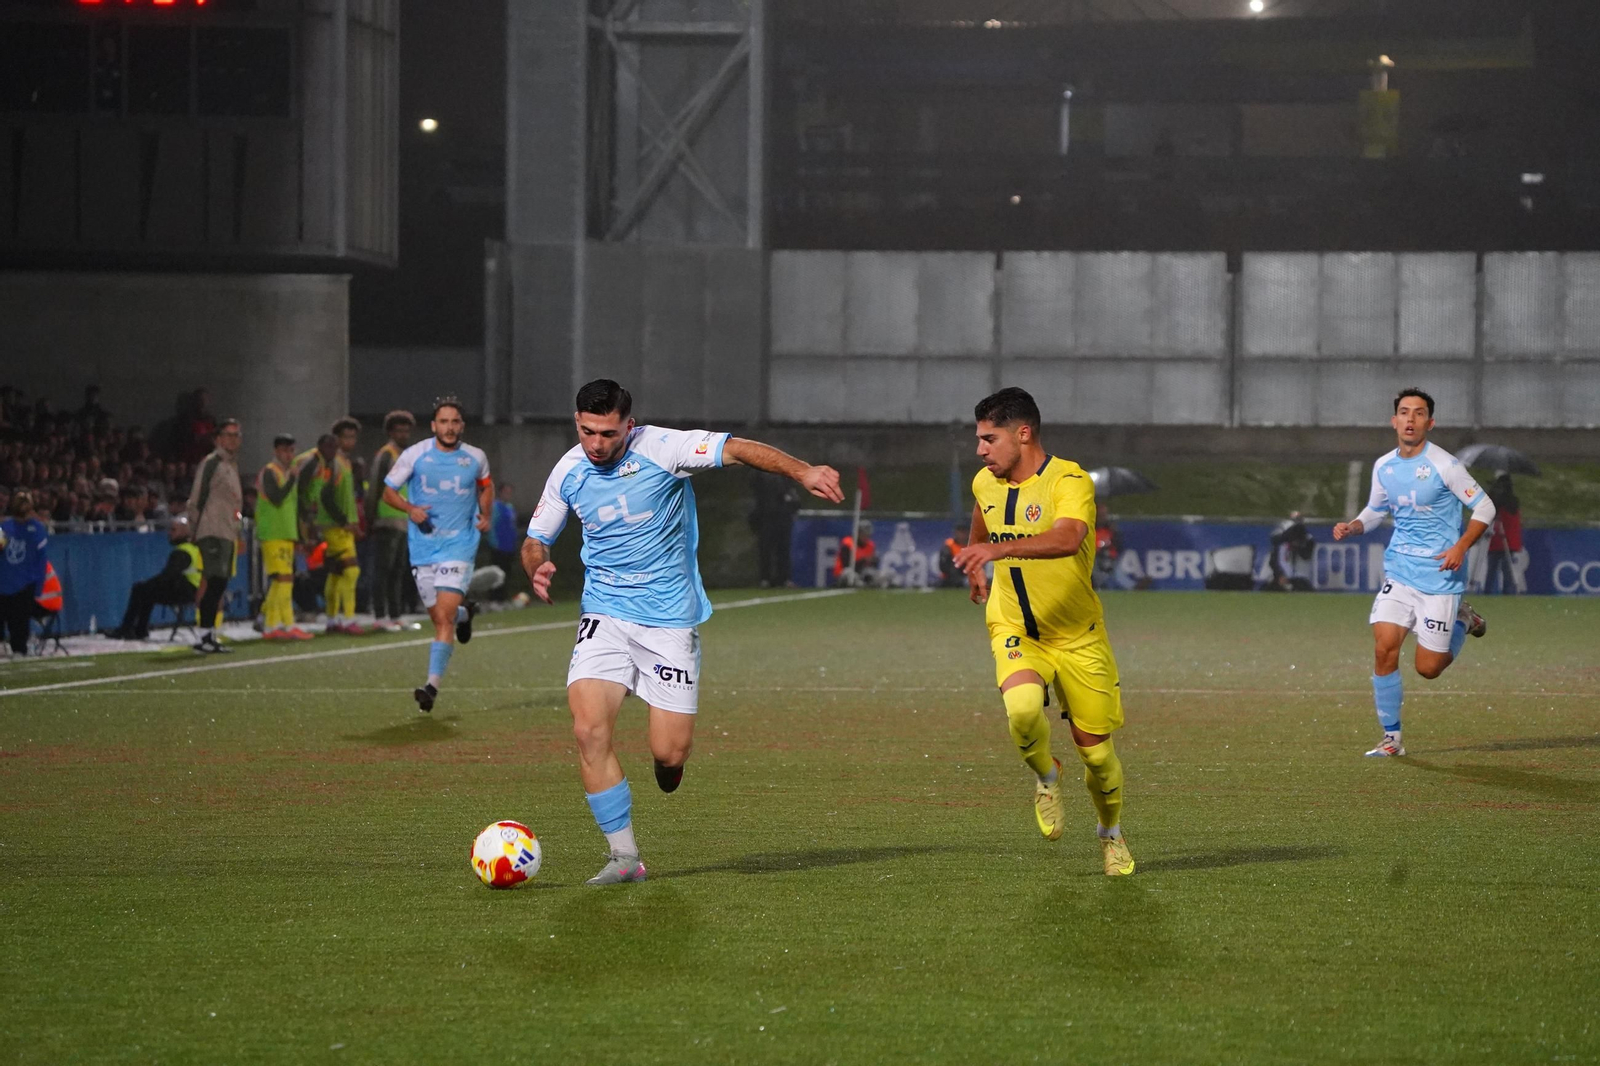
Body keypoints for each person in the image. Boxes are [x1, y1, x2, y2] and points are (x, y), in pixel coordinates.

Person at [521, 379, 843, 886]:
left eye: (607, 433)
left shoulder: (665, 448)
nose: (596, 444)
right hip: (604, 614)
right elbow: (536, 539)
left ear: (629, 425)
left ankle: (668, 767)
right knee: (588, 731)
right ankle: (624, 857)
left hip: (669, 620)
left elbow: (736, 449)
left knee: (669, 753)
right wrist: (536, 566)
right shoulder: (568, 470)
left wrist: (802, 470)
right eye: (586, 432)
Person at [952, 387, 1135, 877]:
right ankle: (1047, 775)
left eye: (989, 439)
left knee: (1098, 758)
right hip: (1015, 625)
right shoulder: (983, 483)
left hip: (1078, 635)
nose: (980, 450)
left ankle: (1110, 833)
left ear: (1023, 433)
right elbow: (980, 519)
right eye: (979, 440)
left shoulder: (1068, 479)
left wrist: (995, 552)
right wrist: (976, 557)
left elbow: (1068, 537)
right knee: (1023, 710)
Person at [1333, 388, 1494, 758]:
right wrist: (1353, 526)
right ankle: (1391, 738)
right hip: (1401, 572)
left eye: (1418, 413)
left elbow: (1485, 508)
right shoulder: (1384, 466)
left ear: (1430, 422)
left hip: (1440, 577)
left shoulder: (1446, 466)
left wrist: (1460, 547)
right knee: (1384, 649)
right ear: (1394, 421)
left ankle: (1464, 620)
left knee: (1428, 668)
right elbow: (1375, 512)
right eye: (1404, 412)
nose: (1410, 419)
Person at [381, 397, 493, 712]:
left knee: (441, 618)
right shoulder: (414, 455)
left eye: (455, 421)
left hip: (460, 544)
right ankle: (466, 613)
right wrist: (410, 508)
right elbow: (388, 491)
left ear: (462, 426)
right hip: (424, 547)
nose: (449, 427)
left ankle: (431, 687)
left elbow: (487, 486)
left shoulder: (474, 457)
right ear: (434, 426)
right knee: (439, 616)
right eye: (443, 422)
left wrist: (486, 514)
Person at [185, 418, 243, 654]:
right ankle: (203, 635)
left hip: (226, 531)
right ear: (218, 438)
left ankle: (208, 635)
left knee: (220, 583)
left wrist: (238, 532)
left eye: (236, 435)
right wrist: (194, 529)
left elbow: (235, 504)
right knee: (214, 580)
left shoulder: (231, 465)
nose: (233, 439)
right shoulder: (212, 463)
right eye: (228, 434)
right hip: (211, 530)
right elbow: (197, 497)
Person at [301, 432, 362, 634]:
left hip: (333, 524)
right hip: (336, 526)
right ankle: (349, 619)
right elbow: (325, 495)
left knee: (335, 573)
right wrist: (345, 521)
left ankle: (332, 619)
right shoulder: (332, 465)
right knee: (351, 571)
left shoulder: (337, 463)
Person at [106, 516, 201, 640]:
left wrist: (148, 584)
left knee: (141, 590)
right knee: (146, 591)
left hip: (186, 591)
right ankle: (140, 630)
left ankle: (126, 629)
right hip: (194, 589)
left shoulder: (182, 552)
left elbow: (169, 575)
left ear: (183, 532)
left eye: (173, 530)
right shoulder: (193, 549)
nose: (169, 533)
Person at [256, 433, 309, 641]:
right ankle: (271, 625)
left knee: (286, 581)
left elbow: (292, 507)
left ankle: (287, 624)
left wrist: (299, 535)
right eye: (284, 450)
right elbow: (276, 498)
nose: (288, 455)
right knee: (281, 579)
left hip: (286, 533)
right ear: (276, 451)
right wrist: (292, 479)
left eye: (291, 450)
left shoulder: (286, 473)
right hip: (272, 532)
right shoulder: (270, 472)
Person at [366, 410, 415, 631]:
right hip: (386, 520)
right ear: (390, 432)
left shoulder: (406, 456)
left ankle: (395, 614)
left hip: (402, 520)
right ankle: (379, 615)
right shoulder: (386, 455)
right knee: (382, 571)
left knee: (397, 571)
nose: (403, 434)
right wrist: (370, 518)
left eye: (406, 430)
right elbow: (376, 486)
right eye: (399, 430)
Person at [0, 490, 49, 657]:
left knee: (17, 620)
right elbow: (41, 561)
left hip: (17, 582)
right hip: (14, 582)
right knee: (16, 620)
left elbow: (41, 560)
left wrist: (38, 586)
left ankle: (17, 648)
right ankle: (15, 648)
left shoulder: (33, 529)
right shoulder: (32, 529)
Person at [750, 472, 800, 588]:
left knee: (782, 549)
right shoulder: (761, 475)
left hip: (781, 517)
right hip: (767, 516)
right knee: (766, 549)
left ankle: (782, 578)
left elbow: (792, 495)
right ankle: (766, 578)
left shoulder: (784, 475)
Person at [1486, 474, 1522, 595]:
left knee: (1503, 569)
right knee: (1494, 568)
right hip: (1501, 539)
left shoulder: (1509, 501)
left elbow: (1499, 507)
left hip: (1504, 538)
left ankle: (1504, 591)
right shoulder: (1509, 500)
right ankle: (1498, 591)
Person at [1266, 512, 1316, 591]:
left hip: (1298, 577)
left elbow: (1306, 556)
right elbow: (1274, 560)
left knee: (1304, 588)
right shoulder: (1282, 545)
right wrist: (1280, 574)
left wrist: (1298, 546)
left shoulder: (1307, 539)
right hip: (1282, 576)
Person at [487, 482, 520, 601]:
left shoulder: (510, 507)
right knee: (497, 574)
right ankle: (494, 598)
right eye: (506, 492)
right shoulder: (496, 506)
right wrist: (493, 542)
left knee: (507, 573)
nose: (508, 495)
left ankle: (503, 598)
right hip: (498, 545)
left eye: (509, 492)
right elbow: (492, 524)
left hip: (509, 546)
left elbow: (512, 525)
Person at [832, 520, 877, 587]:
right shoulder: (848, 543)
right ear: (858, 533)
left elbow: (873, 566)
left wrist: (874, 561)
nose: (866, 537)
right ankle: (861, 584)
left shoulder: (870, 545)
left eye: (868, 535)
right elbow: (846, 564)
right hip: (844, 573)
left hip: (862, 574)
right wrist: (863, 560)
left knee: (871, 572)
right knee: (849, 573)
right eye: (864, 534)